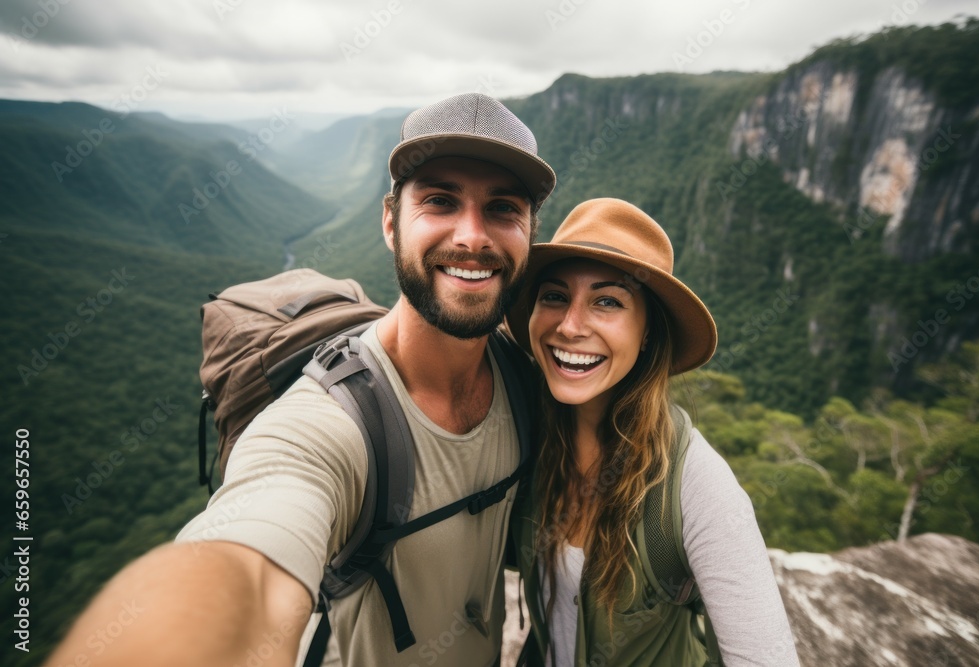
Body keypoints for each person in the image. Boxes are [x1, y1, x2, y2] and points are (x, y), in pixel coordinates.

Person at [43, 93, 556, 667]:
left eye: (503, 209)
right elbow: (250, 569)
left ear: (530, 235)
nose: (471, 237)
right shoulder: (330, 423)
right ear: (391, 223)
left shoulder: (524, 379)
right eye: (440, 201)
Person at [504, 198, 799, 666]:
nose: (570, 325)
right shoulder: (523, 438)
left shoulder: (696, 488)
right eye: (555, 296)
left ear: (647, 332)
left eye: (607, 301)